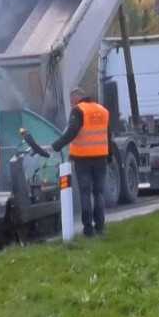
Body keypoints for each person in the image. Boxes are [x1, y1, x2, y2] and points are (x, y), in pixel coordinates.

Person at [51, 87, 112, 237]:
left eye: (72, 102)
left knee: (85, 193)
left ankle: (88, 230)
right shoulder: (102, 110)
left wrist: (56, 146)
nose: (71, 105)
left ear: (76, 99)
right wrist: (109, 155)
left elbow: (71, 131)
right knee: (98, 193)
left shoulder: (78, 111)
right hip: (100, 158)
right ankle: (100, 227)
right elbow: (107, 135)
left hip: (83, 159)